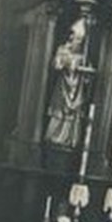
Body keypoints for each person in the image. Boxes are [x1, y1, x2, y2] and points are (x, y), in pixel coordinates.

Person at [44, 20, 89, 150]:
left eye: (80, 39)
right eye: (76, 38)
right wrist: (64, 60)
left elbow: (85, 70)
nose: (77, 41)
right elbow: (56, 65)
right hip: (63, 85)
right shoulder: (62, 49)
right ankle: (54, 138)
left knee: (73, 115)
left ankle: (69, 140)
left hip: (77, 87)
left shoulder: (83, 54)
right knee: (59, 112)